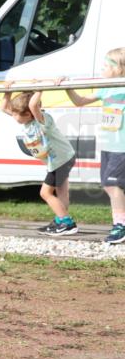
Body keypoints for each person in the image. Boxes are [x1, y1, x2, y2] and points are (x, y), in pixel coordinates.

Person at [59, 47, 125, 244]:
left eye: (106, 65)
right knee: (111, 185)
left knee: (111, 185)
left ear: (119, 69)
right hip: (108, 146)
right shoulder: (105, 88)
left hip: (122, 148)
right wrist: (67, 87)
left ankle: (120, 225)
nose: (102, 68)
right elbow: (80, 101)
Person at [0, 83, 77, 236]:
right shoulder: (26, 120)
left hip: (61, 160)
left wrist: (40, 87)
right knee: (61, 192)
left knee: (45, 193)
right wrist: (7, 91)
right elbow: (4, 107)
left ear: (28, 114)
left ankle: (67, 222)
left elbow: (33, 105)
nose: (13, 115)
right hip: (60, 159)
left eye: (16, 114)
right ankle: (60, 219)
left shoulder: (42, 120)